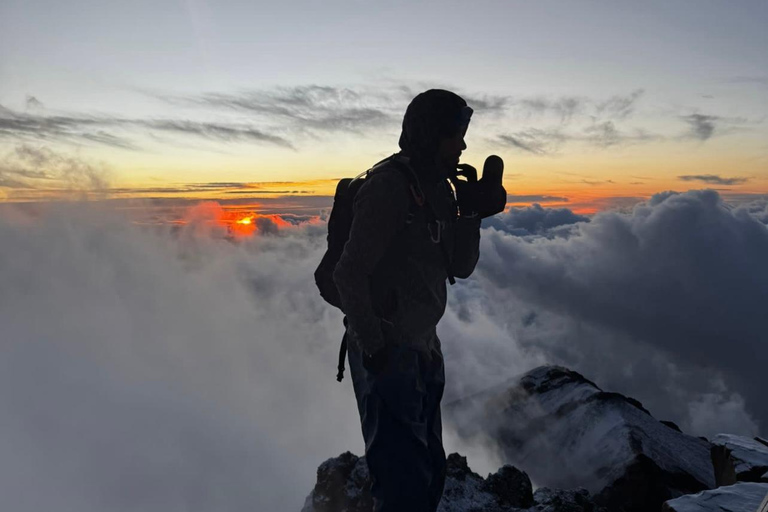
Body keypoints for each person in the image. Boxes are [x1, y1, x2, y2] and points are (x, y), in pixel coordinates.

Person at [332, 89, 482, 512]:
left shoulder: (439, 190)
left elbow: (461, 265)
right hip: (387, 352)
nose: (464, 145)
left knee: (430, 471)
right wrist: (375, 347)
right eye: (456, 134)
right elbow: (348, 273)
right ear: (431, 134)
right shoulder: (388, 188)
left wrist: (471, 215)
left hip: (423, 349)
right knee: (402, 486)